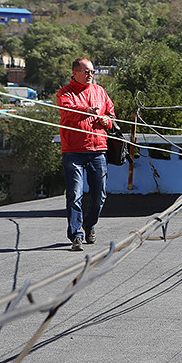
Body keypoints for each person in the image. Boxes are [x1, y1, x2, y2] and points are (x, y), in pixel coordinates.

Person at [57, 57, 115, 252]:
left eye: (92, 71)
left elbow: (111, 115)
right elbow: (67, 111)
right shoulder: (65, 93)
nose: (91, 74)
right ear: (75, 73)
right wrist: (87, 111)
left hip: (98, 151)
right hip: (73, 152)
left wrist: (107, 121)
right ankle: (76, 235)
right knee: (75, 194)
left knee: (100, 195)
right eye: (86, 71)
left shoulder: (100, 92)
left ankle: (89, 225)